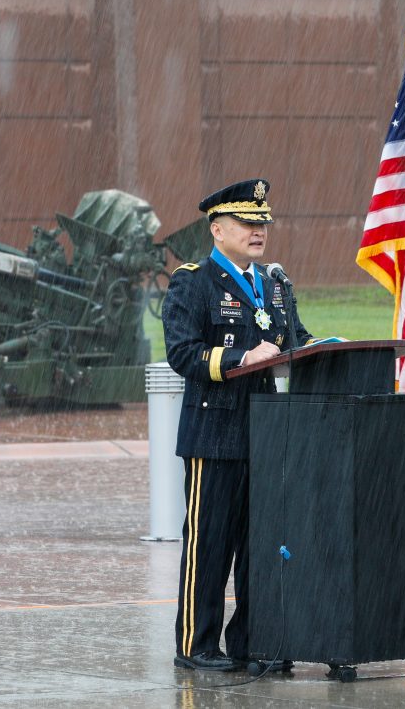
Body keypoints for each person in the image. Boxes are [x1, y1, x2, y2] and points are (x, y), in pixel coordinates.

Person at [162, 178, 312, 671]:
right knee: (209, 546)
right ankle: (197, 645)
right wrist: (240, 358)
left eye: (262, 222)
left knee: (260, 548)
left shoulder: (274, 283)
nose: (258, 231)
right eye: (247, 222)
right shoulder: (193, 282)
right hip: (214, 434)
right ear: (217, 228)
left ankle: (252, 643)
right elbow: (183, 353)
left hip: (265, 434)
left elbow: (297, 340)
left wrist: (325, 349)